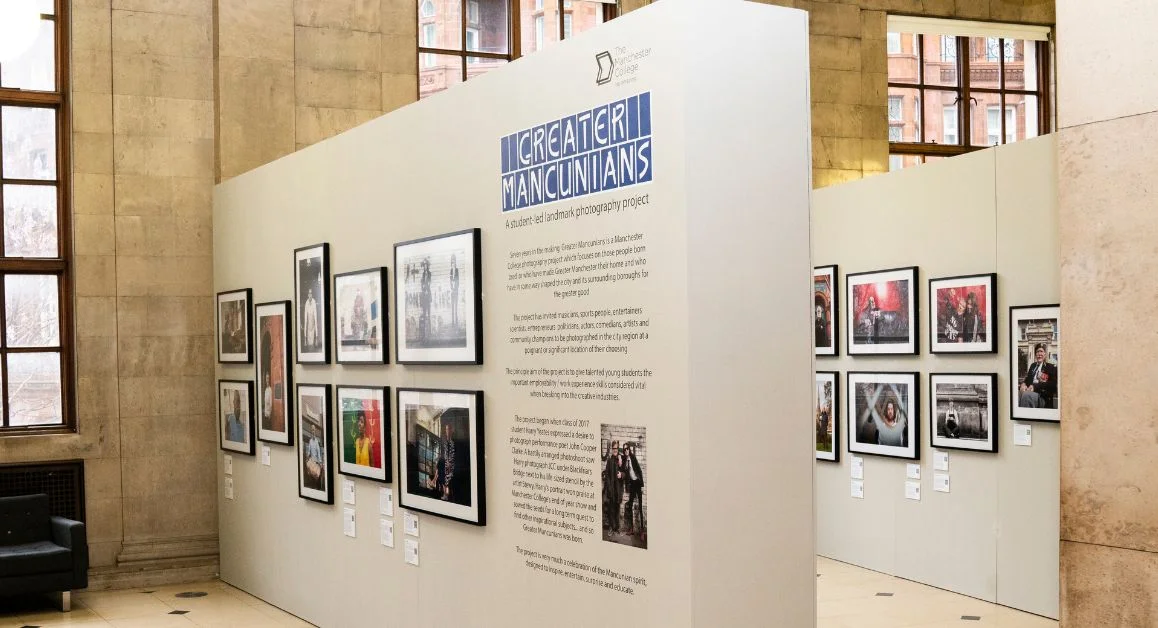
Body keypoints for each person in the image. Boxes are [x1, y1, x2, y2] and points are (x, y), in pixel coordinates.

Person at [1019, 343, 1058, 408]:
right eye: (1037, 352)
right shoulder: (1032, 366)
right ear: (1035, 354)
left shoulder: (1051, 367)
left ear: (1045, 354)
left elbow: (1053, 385)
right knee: (1017, 395)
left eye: (1041, 351)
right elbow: (1028, 378)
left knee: (1026, 395)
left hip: (1042, 397)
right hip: (1029, 393)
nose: (1039, 354)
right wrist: (1023, 384)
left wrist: (1035, 387)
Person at [622, 443, 644, 536]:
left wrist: (641, 483)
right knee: (630, 505)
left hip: (637, 484)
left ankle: (642, 531)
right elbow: (624, 471)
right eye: (624, 449)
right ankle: (631, 529)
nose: (626, 450)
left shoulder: (633, 457)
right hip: (632, 485)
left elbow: (639, 470)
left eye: (627, 449)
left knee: (640, 506)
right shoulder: (625, 460)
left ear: (629, 449)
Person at [603, 440, 621, 533]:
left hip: (618, 489)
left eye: (616, 448)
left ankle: (617, 528)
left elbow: (625, 472)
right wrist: (609, 488)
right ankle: (610, 526)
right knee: (611, 509)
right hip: (611, 489)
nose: (615, 450)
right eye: (613, 448)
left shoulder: (620, 460)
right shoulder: (609, 460)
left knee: (617, 508)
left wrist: (621, 474)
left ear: (618, 449)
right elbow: (607, 475)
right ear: (612, 449)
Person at [449, 254, 460, 329]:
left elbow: (458, 281)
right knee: (452, 306)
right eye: (452, 263)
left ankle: (456, 322)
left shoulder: (457, 270)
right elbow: (450, 281)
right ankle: (453, 322)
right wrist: (451, 288)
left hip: (456, 290)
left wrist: (455, 288)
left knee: (456, 306)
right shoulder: (450, 271)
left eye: (454, 263)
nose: (453, 264)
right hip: (452, 291)